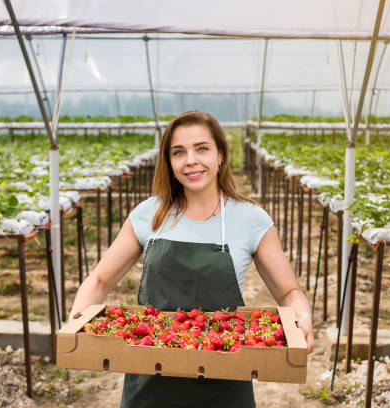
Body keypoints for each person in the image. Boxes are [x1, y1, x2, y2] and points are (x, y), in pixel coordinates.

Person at [68, 110, 314, 407]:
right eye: (178, 152)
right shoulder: (149, 214)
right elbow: (99, 279)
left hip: (225, 376)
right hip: (150, 375)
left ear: (220, 155)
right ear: (169, 163)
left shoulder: (250, 218)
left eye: (202, 148)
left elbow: (288, 291)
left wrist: (301, 315)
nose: (191, 161)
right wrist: (77, 323)